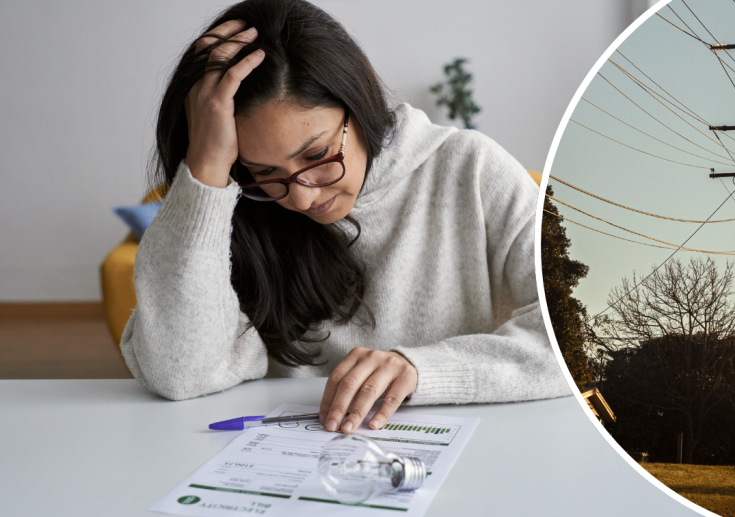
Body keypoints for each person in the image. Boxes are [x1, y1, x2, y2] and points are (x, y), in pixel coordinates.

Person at [120, 0, 568, 434]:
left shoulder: (472, 170)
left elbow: (585, 334)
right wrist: (206, 170)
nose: (300, 196)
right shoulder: (238, 202)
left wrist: (421, 370)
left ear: (357, 102)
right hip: (287, 467)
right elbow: (180, 374)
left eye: (316, 154)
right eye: (264, 172)